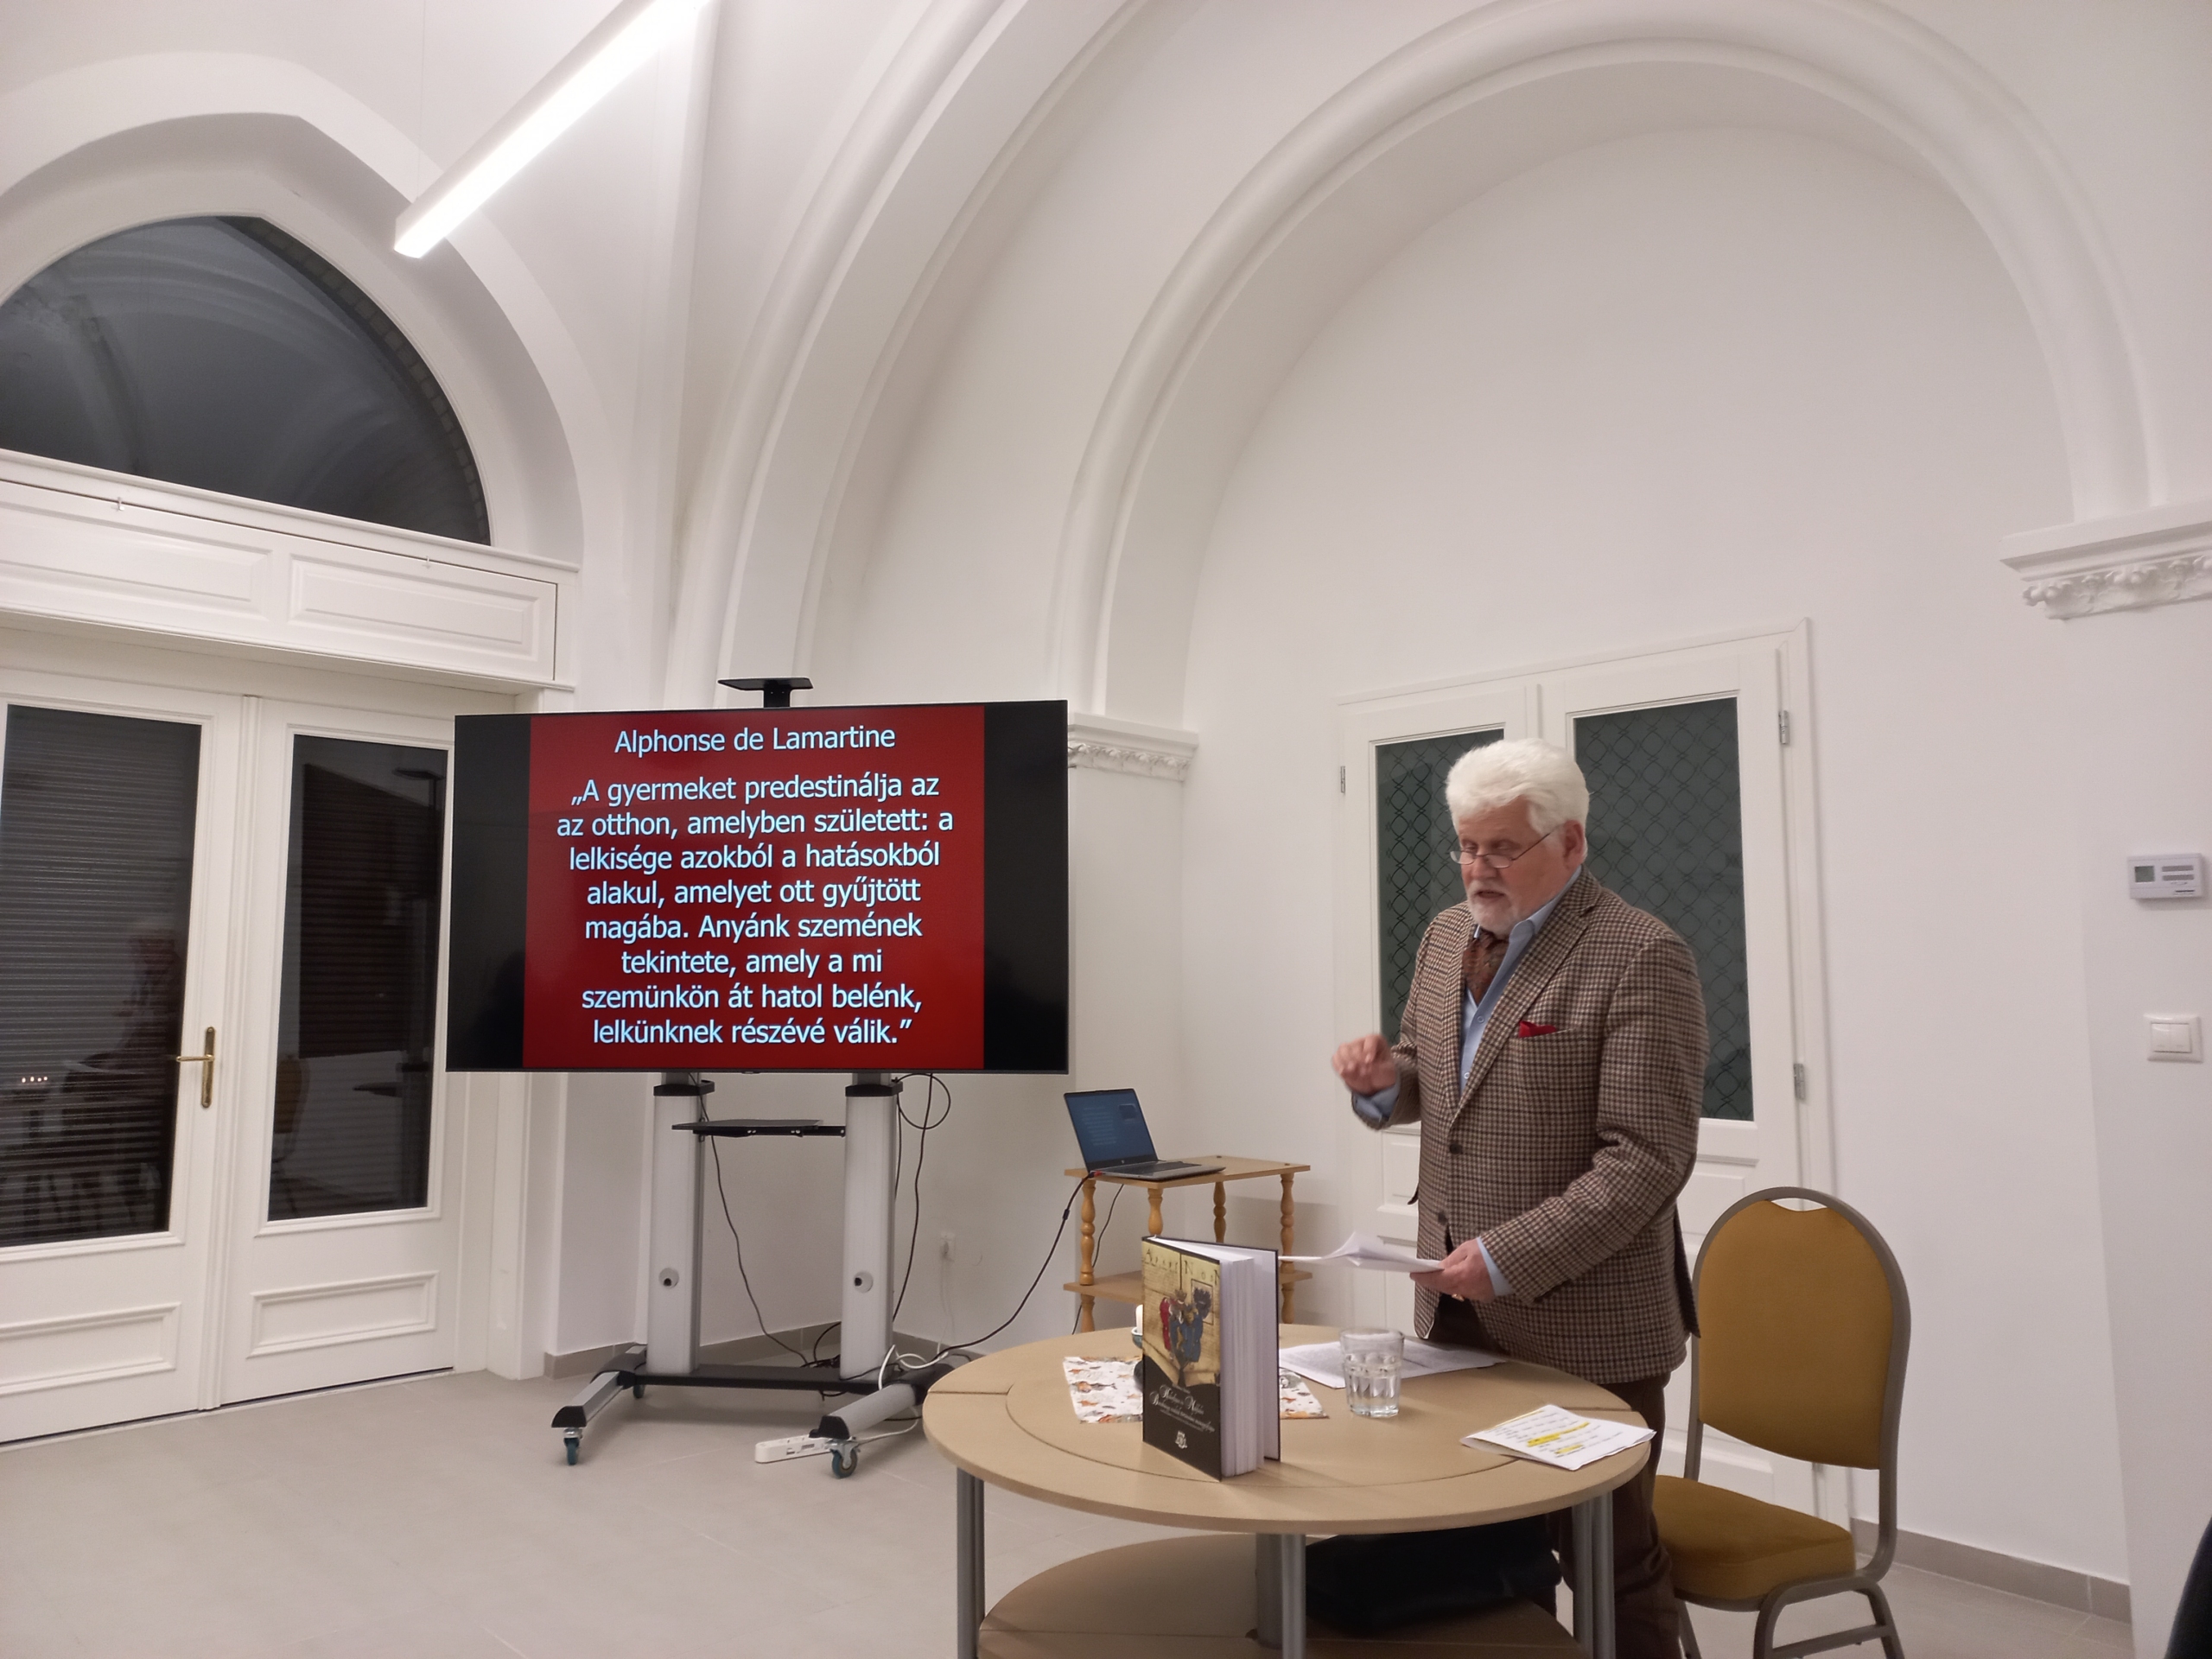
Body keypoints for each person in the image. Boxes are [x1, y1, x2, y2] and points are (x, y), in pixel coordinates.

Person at [1332, 738, 1704, 1659]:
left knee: (1610, 1563)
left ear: (1569, 842)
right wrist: (1382, 1084)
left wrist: (1505, 1258)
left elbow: (1645, 1160)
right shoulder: (1443, 937)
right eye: (1466, 845)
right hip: (1457, 1317)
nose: (1476, 869)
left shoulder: (1640, 954)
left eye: (1501, 848)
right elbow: (1436, 1081)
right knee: (1490, 1551)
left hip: (1588, 1328)